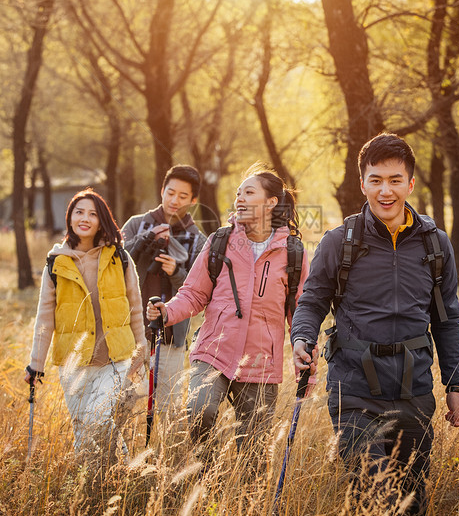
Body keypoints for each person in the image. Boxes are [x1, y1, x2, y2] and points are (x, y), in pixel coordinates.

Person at [290, 133, 459, 515]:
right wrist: (302, 338)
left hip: (414, 388)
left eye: (395, 180)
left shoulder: (435, 245)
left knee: (410, 499)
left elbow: (447, 319)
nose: (385, 191)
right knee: (371, 491)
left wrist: (455, 384)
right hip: (353, 388)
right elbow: (312, 300)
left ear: (411, 183)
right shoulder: (340, 242)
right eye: (376, 180)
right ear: (362, 183)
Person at [146, 165, 309, 455]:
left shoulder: (293, 252)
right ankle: (208, 476)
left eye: (249, 192)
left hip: (261, 360)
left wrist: (305, 353)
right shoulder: (220, 241)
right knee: (198, 411)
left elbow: (300, 312)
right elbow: (194, 293)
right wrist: (167, 312)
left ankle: (242, 496)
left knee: (254, 450)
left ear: (271, 202)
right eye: (238, 193)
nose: (240, 199)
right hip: (214, 350)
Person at [25, 188, 147, 457]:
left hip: (115, 358)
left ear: (102, 220)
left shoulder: (120, 258)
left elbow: (135, 308)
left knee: (98, 417)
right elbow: (45, 317)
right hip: (74, 361)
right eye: (79, 212)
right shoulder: (55, 264)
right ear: (69, 218)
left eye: (93, 214)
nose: (85, 218)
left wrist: (142, 350)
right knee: (82, 428)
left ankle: (123, 468)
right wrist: (36, 365)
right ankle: (94, 482)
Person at [122, 165, 207, 412]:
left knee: (167, 409)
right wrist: (146, 239)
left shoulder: (197, 239)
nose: (175, 201)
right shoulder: (136, 225)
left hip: (171, 337)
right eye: (170, 193)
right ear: (162, 191)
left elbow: (199, 294)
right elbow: (115, 270)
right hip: (129, 335)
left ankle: (163, 452)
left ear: (193, 200)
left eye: (183, 196)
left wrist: (175, 272)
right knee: (121, 406)